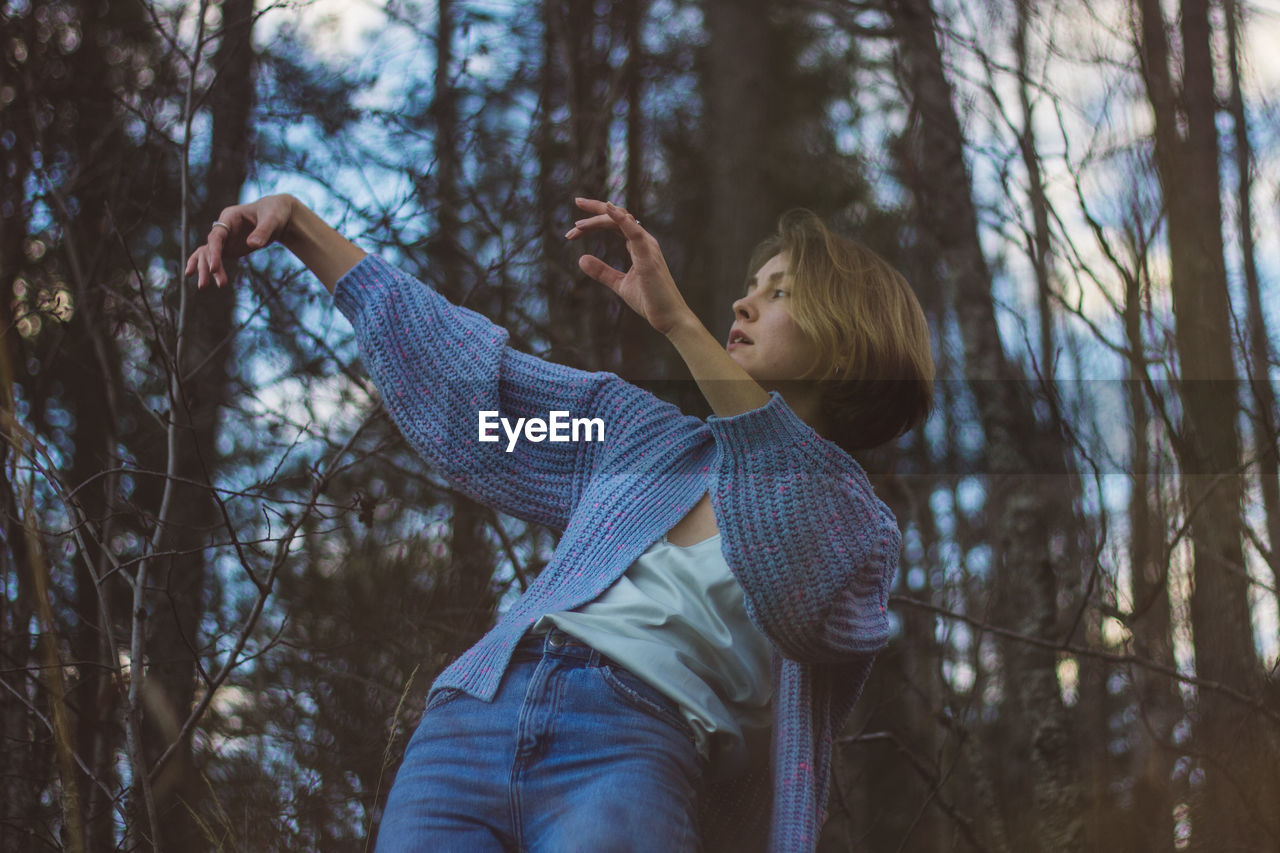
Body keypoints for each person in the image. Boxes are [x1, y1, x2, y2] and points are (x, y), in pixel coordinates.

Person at [186, 194, 934, 852]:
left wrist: (676, 324)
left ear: (846, 344)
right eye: (749, 288)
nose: (742, 305)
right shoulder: (634, 438)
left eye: (780, 293)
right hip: (471, 722)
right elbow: (481, 405)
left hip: (635, 752)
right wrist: (304, 229)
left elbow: (790, 560)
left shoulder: (855, 530)